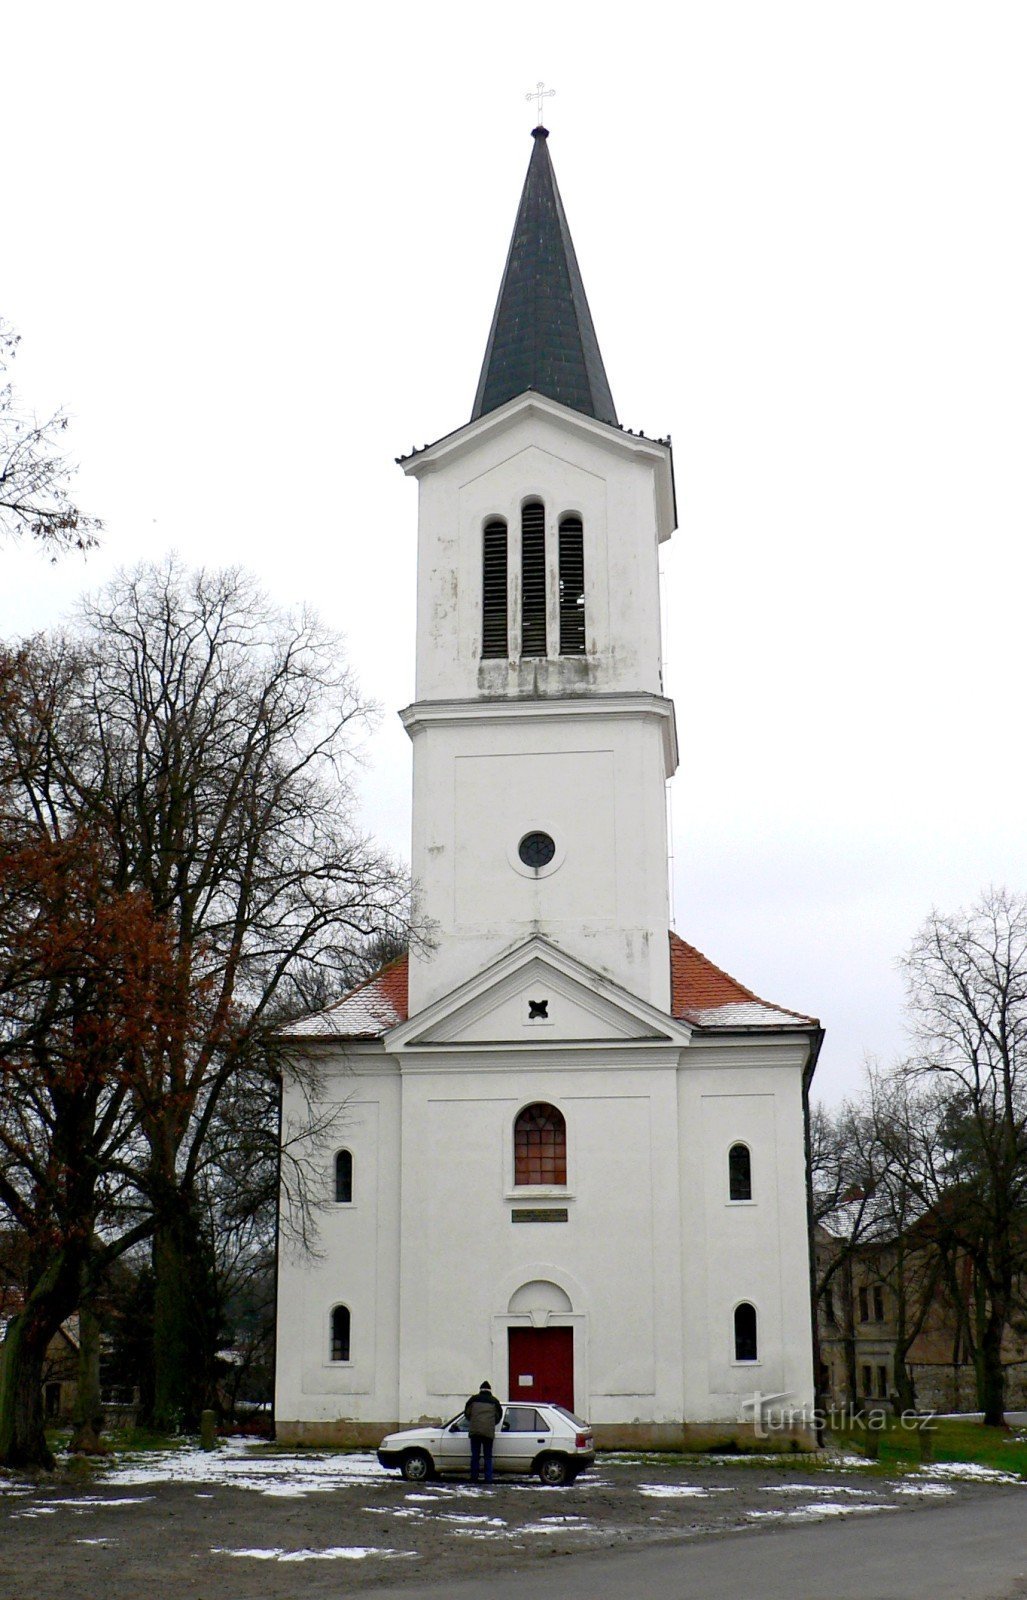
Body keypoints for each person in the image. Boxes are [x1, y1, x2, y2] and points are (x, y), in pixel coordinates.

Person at [463, 1380, 503, 1484]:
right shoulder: (494, 1401)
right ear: (490, 1390)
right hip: (488, 1433)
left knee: (475, 1456)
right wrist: (491, 1424)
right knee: (487, 1456)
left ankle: (474, 1477)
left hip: (475, 1432)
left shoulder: (473, 1399)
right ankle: (488, 1478)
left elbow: (467, 1414)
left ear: (480, 1390)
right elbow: (498, 1417)